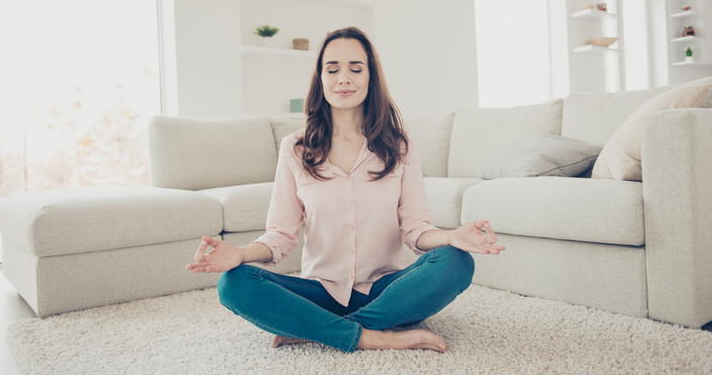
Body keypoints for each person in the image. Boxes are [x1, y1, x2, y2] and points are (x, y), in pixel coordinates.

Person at [186, 27, 505, 353]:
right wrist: (240, 253)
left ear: (370, 77)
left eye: (356, 68)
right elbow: (280, 236)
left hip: (383, 290)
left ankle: (320, 328)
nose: (344, 78)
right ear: (320, 78)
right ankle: (372, 335)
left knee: (457, 262)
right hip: (320, 290)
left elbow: (415, 228)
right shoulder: (294, 148)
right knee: (233, 283)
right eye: (333, 69)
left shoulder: (401, 144)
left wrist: (451, 237)